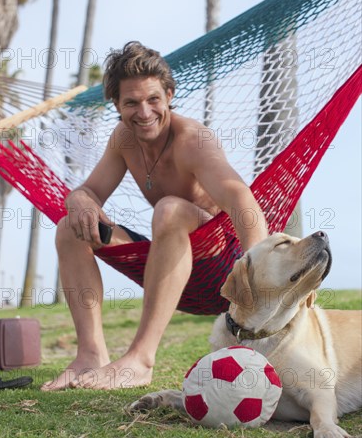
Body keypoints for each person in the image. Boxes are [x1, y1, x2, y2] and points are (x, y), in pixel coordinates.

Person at [41, 41, 268, 391]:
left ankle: (141, 359)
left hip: (221, 266)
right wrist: (79, 199)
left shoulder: (193, 139)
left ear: (169, 95)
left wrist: (255, 268)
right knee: (70, 228)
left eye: (153, 100)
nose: (144, 113)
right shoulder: (123, 140)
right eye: (131, 102)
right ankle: (91, 355)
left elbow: (240, 199)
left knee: (169, 208)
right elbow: (90, 191)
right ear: (116, 104)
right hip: (166, 261)